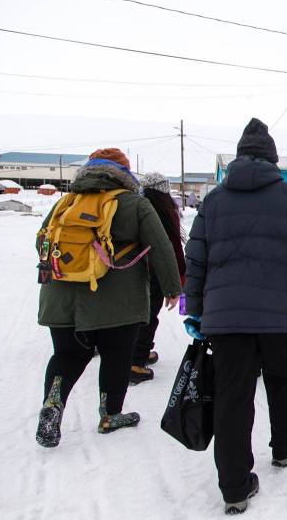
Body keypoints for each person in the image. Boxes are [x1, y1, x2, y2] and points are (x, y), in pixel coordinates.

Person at [184, 118, 287, 515]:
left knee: (232, 395)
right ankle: (285, 445)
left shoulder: (214, 201)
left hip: (226, 318)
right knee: (283, 380)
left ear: (238, 158)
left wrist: (195, 310)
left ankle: (234, 486)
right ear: (272, 159)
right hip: (283, 314)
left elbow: (196, 259)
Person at [35, 148, 183, 448]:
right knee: (117, 355)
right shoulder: (134, 203)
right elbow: (161, 245)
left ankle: (52, 404)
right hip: (119, 299)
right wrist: (172, 287)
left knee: (67, 354)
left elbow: (41, 242)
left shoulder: (66, 202)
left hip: (61, 296)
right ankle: (109, 415)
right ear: (124, 173)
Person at [130, 171, 186, 384]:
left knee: (138, 313)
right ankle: (136, 361)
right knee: (149, 314)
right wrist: (178, 277)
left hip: (132, 268)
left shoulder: (135, 206)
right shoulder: (164, 210)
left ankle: (136, 353)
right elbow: (172, 246)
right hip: (155, 269)